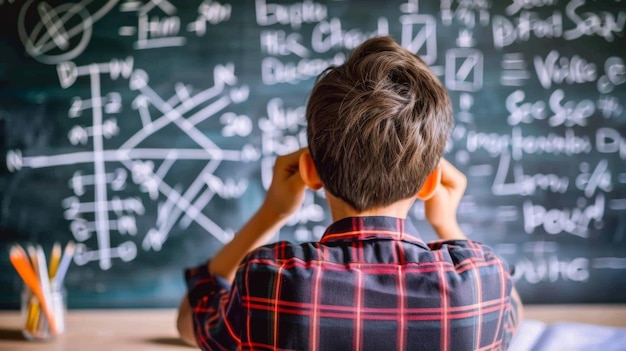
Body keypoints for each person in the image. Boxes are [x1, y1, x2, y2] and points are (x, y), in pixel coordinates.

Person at [176, 35, 522, 350]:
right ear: (431, 183)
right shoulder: (480, 281)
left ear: (310, 172)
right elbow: (511, 316)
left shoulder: (271, 279)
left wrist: (272, 213)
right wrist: (447, 223)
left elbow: (191, 324)